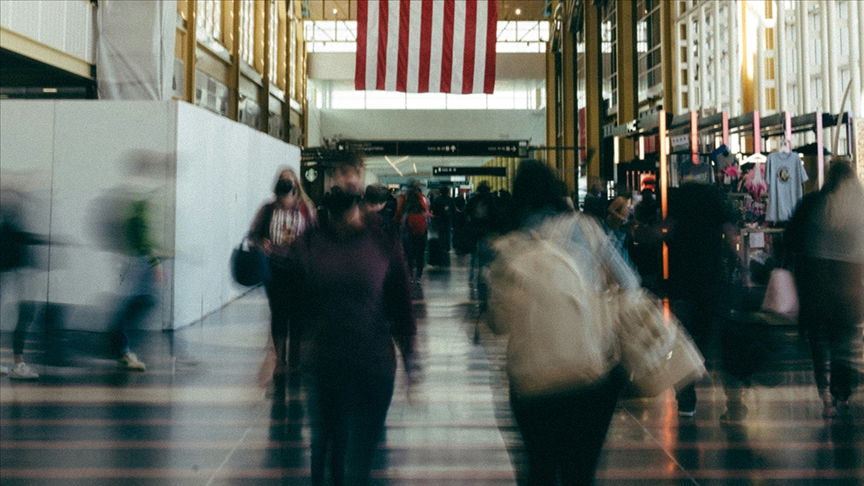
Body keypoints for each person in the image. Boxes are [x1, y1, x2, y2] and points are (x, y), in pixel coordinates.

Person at [488, 159, 639, 485]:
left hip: (532, 380)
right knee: (579, 474)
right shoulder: (587, 227)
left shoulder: (510, 245)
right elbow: (629, 284)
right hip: (591, 372)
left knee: (539, 472)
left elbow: (499, 323)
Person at [285, 151, 418, 485]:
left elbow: (401, 301)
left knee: (359, 460)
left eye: (354, 172)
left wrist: (412, 359)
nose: (349, 179)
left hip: (373, 365)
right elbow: (293, 299)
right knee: (325, 451)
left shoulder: (383, 239)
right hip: (324, 363)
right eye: (342, 173)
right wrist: (277, 351)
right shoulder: (311, 240)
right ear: (330, 180)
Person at [785, 161, 864, 418]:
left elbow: (790, 238)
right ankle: (842, 392)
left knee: (819, 342)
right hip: (848, 288)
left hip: (814, 287)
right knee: (845, 341)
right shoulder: (859, 208)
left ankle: (825, 393)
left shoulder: (813, 203)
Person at [665, 182, 748, 418]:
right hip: (713, 279)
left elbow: (667, 229)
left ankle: (686, 400)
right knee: (725, 341)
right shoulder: (714, 202)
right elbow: (732, 235)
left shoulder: (679, 202)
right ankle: (733, 401)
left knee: (686, 341)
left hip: (683, 280)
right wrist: (743, 268)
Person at [249, 168, 316, 382]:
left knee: (298, 315)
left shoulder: (306, 208)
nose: (286, 184)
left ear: (296, 184)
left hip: (300, 269)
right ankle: (279, 358)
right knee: (278, 313)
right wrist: (261, 243)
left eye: (289, 180)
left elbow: (316, 237)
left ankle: (295, 358)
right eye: (282, 180)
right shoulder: (268, 209)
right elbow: (252, 235)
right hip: (275, 268)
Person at [393, 180, 430, 282]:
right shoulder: (422, 198)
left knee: (409, 254)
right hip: (421, 232)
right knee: (420, 254)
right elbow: (427, 215)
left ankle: (409, 274)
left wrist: (395, 223)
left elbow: (399, 212)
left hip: (408, 232)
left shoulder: (403, 198)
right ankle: (419, 275)